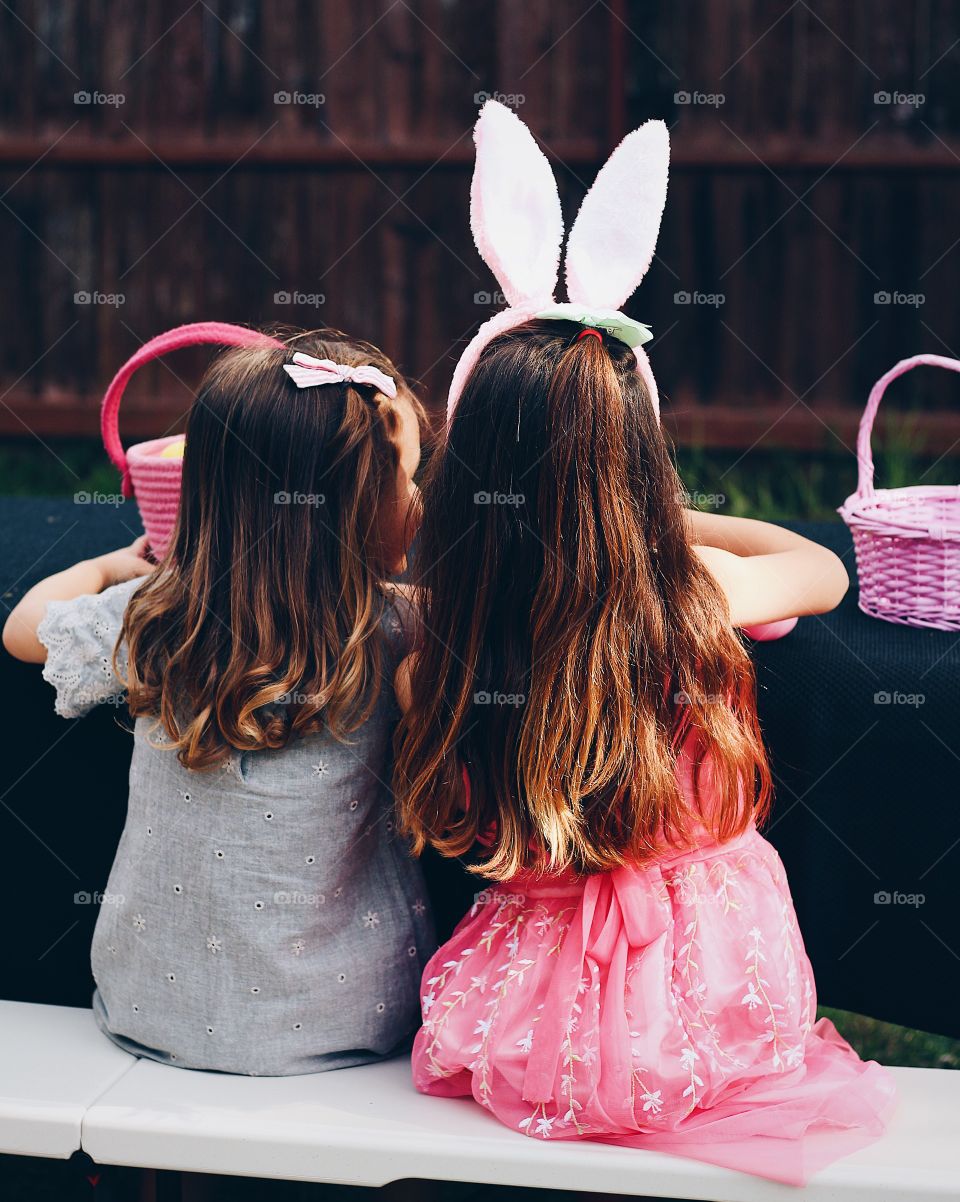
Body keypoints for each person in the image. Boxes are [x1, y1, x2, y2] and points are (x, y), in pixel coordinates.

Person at [391, 101, 895, 1185]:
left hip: (536, 999)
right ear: (640, 464)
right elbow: (826, 567)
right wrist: (662, 525)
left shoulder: (441, 645)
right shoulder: (701, 596)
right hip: (714, 981)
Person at [4, 325, 434, 1076]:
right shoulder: (399, 627)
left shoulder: (156, 619)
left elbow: (23, 629)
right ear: (362, 505)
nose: (421, 501)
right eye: (409, 479)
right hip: (344, 1015)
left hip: (152, 1008)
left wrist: (109, 566)